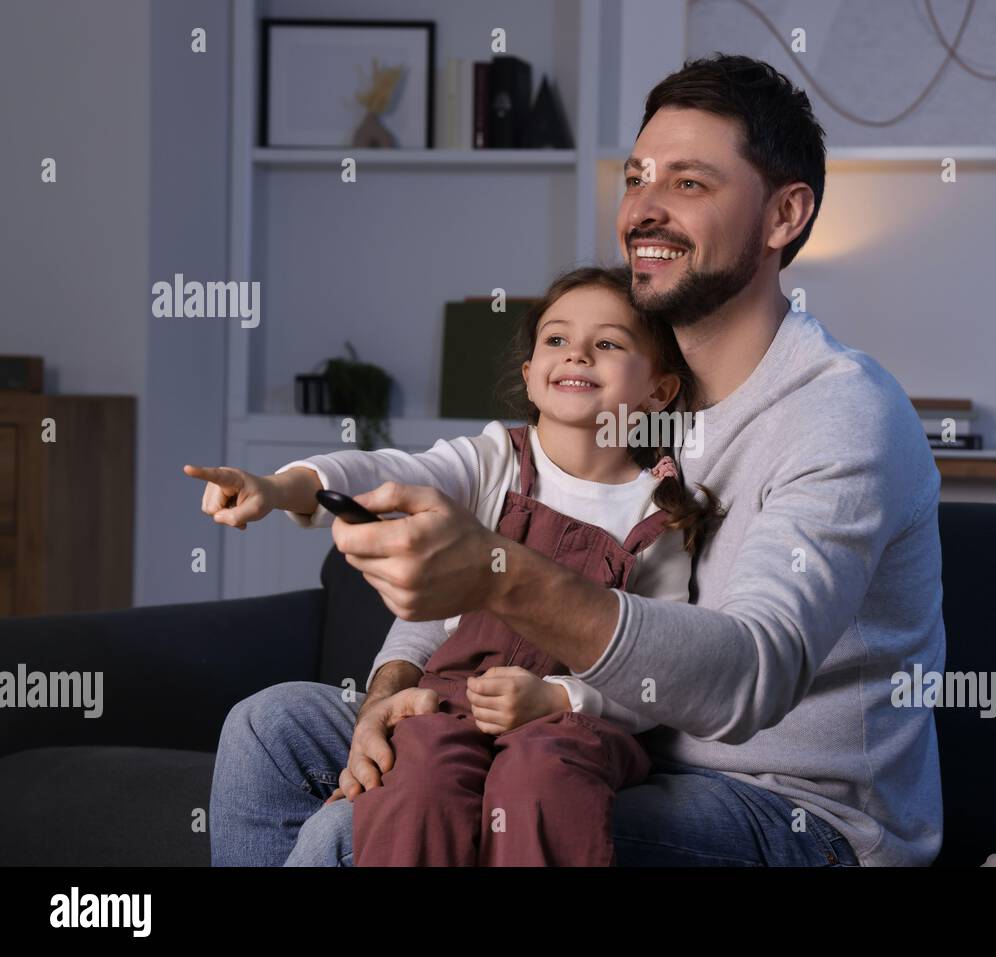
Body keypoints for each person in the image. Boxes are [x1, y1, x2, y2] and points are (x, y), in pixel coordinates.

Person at [210, 53, 945, 868]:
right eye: (637, 177)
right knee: (273, 729)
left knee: (352, 833)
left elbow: (753, 670)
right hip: (577, 734)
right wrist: (392, 693)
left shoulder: (840, 413)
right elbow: (465, 556)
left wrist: (502, 577)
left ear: (784, 215)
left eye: (689, 183)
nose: (643, 210)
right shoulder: (627, 394)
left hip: (782, 808)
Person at [188, 265, 719, 865]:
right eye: (556, 339)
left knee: (542, 778)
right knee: (417, 777)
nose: (576, 354)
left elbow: (657, 679)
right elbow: (389, 472)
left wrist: (559, 700)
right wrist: (284, 487)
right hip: (449, 705)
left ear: (659, 392)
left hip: (575, 732)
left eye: (608, 344)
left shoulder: (661, 515)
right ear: (530, 375)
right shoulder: (491, 463)